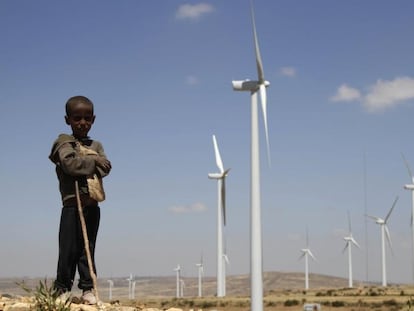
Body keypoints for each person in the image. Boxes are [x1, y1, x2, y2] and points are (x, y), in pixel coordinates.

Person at [49, 95, 112, 305]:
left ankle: (88, 288)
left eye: (87, 118)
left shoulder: (96, 144)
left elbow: (106, 167)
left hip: (91, 206)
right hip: (71, 206)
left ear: (93, 119)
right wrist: (93, 161)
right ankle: (62, 289)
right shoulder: (63, 142)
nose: (82, 123)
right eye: (77, 118)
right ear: (68, 120)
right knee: (67, 249)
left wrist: (85, 161)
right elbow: (69, 165)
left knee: (88, 248)